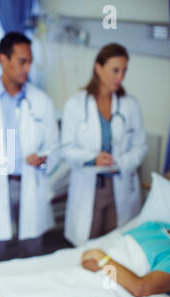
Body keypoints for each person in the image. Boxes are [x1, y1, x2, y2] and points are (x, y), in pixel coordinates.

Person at [0, 32, 59, 262]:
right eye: (22, 61)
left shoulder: (41, 102)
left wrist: (44, 158)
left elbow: (55, 148)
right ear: (3, 60)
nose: (27, 68)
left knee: (32, 253)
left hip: (28, 183)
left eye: (29, 62)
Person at [62, 43, 147, 247]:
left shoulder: (130, 105)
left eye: (124, 71)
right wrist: (93, 158)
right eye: (115, 70)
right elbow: (66, 149)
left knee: (115, 246)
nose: (120, 77)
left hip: (120, 184)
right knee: (87, 245)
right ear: (98, 68)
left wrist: (120, 161)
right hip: (89, 184)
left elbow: (140, 147)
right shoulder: (75, 105)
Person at [82, 221, 170, 297]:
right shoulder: (155, 225)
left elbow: (140, 289)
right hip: (91, 272)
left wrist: (100, 258)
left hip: (112, 286)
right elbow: (114, 245)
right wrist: (88, 256)